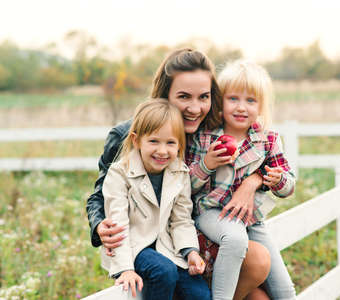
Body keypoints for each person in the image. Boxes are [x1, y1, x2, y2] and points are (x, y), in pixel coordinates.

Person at [86, 48, 271, 299]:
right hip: (147, 242)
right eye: (184, 96)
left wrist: (254, 180)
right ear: (165, 94)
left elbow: (260, 151)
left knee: (260, 288)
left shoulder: (212, 130)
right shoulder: (128, 135)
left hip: (194, 238)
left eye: (204, 97)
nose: (195, 108)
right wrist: (99, 225)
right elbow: (101, 195)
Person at [186, 59, 297, 300]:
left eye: (250, 100)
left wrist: (277, 180)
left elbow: (289, 185)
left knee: (285, 291)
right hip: (212, 211)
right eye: (233, 98)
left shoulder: (267, 140)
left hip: (251, 220)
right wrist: (207, 165)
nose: (241, 107)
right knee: (234, 239)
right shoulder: (205, 137)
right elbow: (186, 186)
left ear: (261, 106)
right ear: (221, 101)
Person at [101, 99, 209, 299]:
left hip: (167, 246)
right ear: (136, 140)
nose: (162, 151)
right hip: (135, 244)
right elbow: (118, 224)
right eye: (153, 141)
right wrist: (125, 268)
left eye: (170, 143)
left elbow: (181, 220)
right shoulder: (119, 173)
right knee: (164, 272)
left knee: (200, 294)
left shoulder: (179, 172)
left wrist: (191, 251)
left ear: (179, 145)